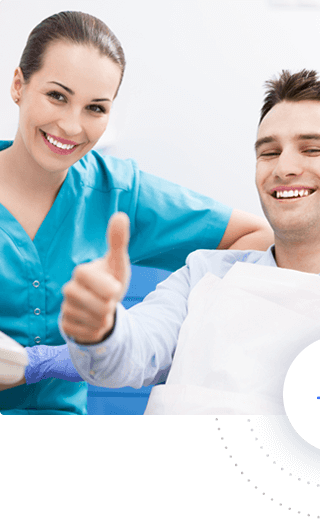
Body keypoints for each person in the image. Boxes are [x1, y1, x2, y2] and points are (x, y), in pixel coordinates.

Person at [0, 11, 274, 414]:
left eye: (95, 108)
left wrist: (136, 330)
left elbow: (257, 239)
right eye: (57, 96)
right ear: (20, 84)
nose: (72, 126)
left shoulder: (119, 193)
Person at [58, 69, 320, 414]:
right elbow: (131, 354)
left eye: (312, 149)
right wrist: (101, 328)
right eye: (268, 153)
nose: (284, 167)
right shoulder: (204, 274)